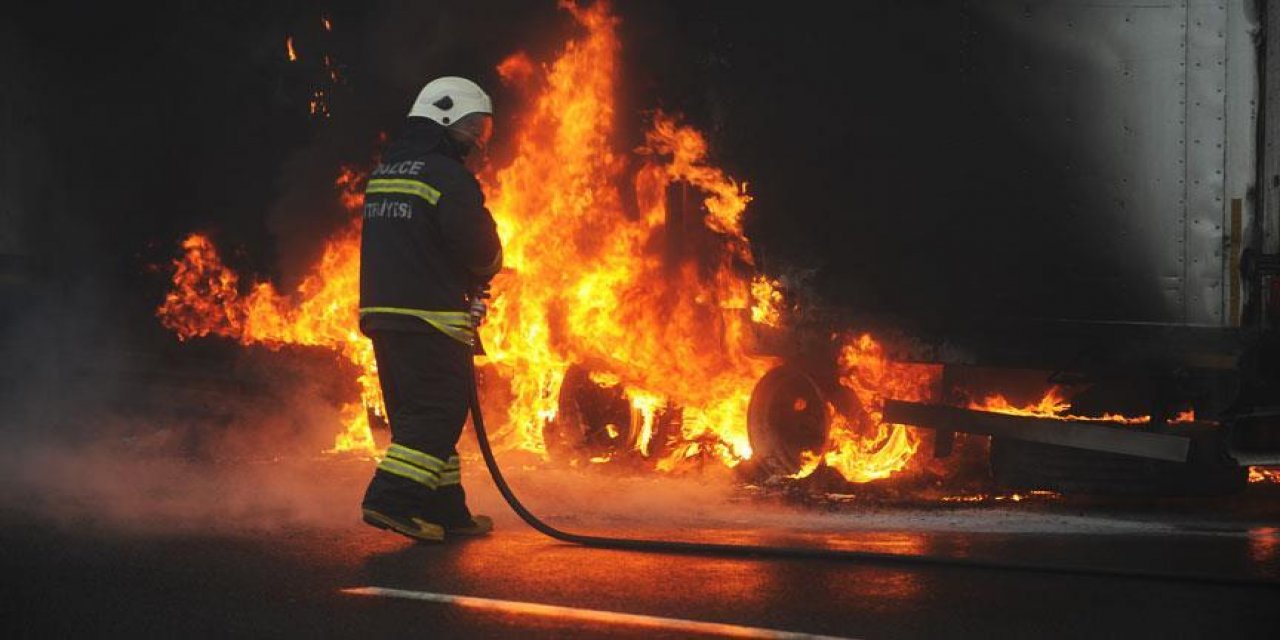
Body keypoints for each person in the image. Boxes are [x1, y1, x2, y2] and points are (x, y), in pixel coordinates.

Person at [357, 76, 503, 542]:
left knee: (420, 416)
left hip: (384, 315)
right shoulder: (447, 176)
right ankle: (391, 500)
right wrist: (490, 266)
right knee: (438, 412)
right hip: (430, 317)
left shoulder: (386, 172)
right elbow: (478, 249)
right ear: (446, 117)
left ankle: (446, 511)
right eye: (473, 126)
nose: (477, 138)